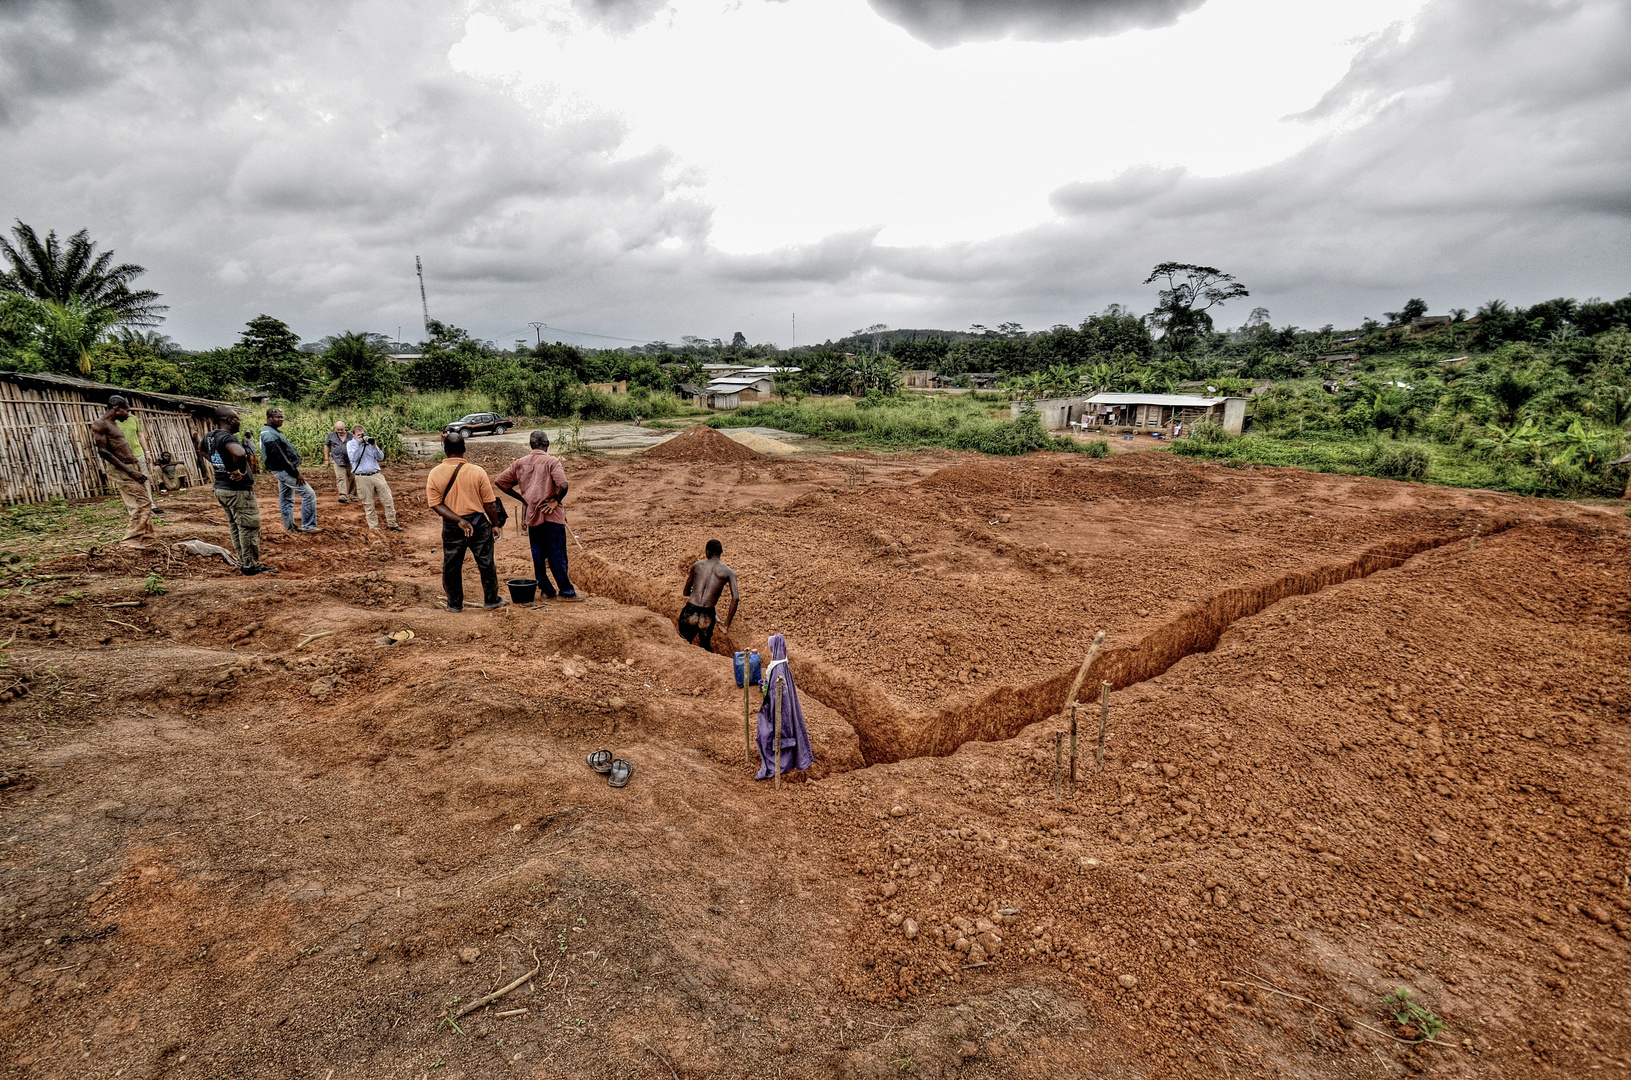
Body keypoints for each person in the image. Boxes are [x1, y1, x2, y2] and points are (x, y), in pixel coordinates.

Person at [493, 430, 577, 600]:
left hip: (532, 517)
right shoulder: (552, 462)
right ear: (547, 444)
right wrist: (555, 501)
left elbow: (500, 481)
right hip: (552, 515)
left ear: (531, 445)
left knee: (538, 556)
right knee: (557, 555)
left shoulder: (520, 463)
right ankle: (567, 592)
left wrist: (523, 499)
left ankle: (546, 590)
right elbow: (564, 485)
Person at [426, 431, 504, 612]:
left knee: (451, 565)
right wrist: (495, 524)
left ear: (445, 450)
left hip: (452, 525)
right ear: (464, 449)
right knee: (486, 563)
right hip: (478, 524)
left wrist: (459, 520)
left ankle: (454, 604)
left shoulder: (435, 473)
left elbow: (436, 504)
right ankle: (491, 600)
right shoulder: (477, 472)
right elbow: (490, 504)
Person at [199, 406, 276, 576]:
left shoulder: (209, 437)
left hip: (221, 488)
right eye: (237, 419)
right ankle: (250, 565)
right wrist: (240, 471)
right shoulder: (227, 437)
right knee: (248, 526)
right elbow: (240, 454)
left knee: (236, 526)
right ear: (229, 421)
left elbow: (201, 450)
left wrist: (218, 463)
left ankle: (245, 561)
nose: (239, 423)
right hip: (237, 491)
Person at [89, 395, 155, 547]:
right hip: (121, 469)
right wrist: (130, 471)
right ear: (117, 409)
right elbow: (103, 452)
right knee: (141, 502)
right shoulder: (100, 424)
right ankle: (131, 539)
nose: (128, 414)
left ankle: (146, 536)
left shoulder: (112, 423)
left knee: (141, 500)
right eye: (127, 410)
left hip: (130, 466)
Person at [259, 408, 318, 532]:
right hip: (283, 470)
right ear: (269, 418)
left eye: (282, 417)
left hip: (280, 470)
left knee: (286, 498)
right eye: (277, 417)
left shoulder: (270, 431)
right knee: (309, 494)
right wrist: (296, 474)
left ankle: (289, 526)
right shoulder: (269, 434)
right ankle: (309, 526)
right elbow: (281, 458)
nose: (281, 419)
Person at [678, 539, 739, 652]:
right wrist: (727, 624)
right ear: (721, 552)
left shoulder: (697, 566)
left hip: (690, 610)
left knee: (683, 643)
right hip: (707, 615)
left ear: (707, 552)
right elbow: (735, 598)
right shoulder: (729, 572)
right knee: (705, 647)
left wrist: (695, 592)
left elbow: (685, 592)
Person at [347, 424, 401, 531]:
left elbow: (381, 457)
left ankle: (392, 523)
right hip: (362, 477)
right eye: (358, 434)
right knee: (368, 503)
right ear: (353, 435)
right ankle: (374, 527)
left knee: (388, 499)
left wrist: (374, 446)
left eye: (362, 434)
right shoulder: (351, 444)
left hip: (376, 474)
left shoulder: (369, 443)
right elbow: (353, 458)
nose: (361, 436)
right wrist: (358, 444)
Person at [113, 405, 162, 516]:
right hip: (122, 457)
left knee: (144, 479)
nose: (127, 412)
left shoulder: (133, 418)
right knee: (126, 483)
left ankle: (150, 505)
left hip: (138, 454)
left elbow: (140, 435)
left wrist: (147, 452)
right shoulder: (111, 421)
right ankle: (133, 508)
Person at [324, 420, 355, 503]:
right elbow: (327, 446)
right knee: (341, 478)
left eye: (341, 429)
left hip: (351, 461)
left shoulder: (351, 436)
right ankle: (343, 495)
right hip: (337, 460)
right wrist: (327, 459)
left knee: (353, 478)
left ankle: (352, 494)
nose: (340, 431)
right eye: (338, 430)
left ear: (345, 428)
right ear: (335, 429)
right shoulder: (331, 436)